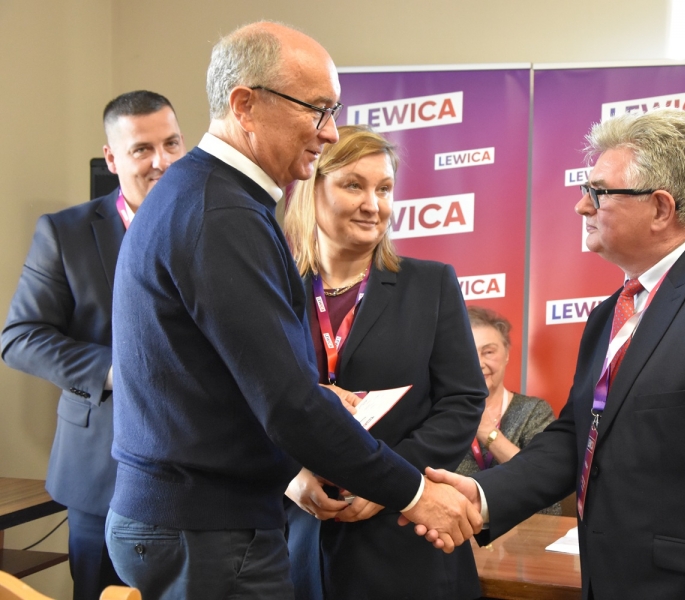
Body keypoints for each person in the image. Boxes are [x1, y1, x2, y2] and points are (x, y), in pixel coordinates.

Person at [104, 22, 479, 600]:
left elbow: (226, 377)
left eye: (334, 112)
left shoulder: (207, 196)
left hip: (197, 524)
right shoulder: (223, 214)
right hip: (207, 531)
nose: (329, 131)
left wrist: (315, 399)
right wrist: (414, 493)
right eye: (317, 110)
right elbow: (286, 404)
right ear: (245, 105)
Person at [427, 108, 685, 599]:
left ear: (660, 208)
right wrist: (484, 494)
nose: (581, 206)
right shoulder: (610, 314)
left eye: (598, 192)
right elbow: (580, 436)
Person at [281, 124, 486, 600]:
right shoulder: (275, 290)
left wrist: (391, 481)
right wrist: (289, 475)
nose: (373, 205)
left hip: (404, 539)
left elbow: (462, 401)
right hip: (299, 541)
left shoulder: (431, 284)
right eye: (354, 185)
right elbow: (249, 402)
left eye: (385, 189)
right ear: (311, 190)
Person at [1, 90, 185, 600]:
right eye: (142, 149)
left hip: (201, 477)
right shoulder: (65, 233)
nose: (162, 161)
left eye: (172, 143)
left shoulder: (214, 227)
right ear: (111, 158)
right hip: (102, 472)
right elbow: (20, 337)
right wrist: (117, 371)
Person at [455, 306, 560, 515]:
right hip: (456, 527)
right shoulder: (439, 415)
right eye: (469, 353)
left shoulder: (534, 411)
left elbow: (546, 489)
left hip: (524, 528)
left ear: (506, 355)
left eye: (488, 352)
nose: (478, 363)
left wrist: (487, 432)